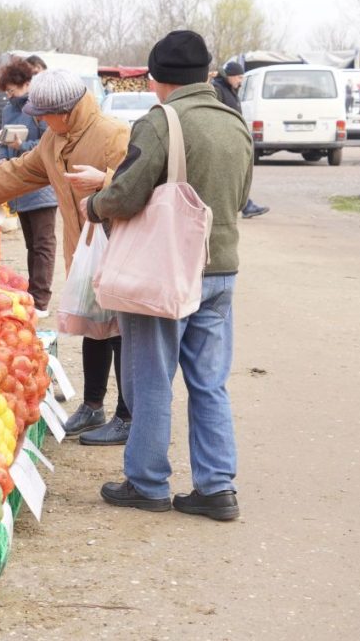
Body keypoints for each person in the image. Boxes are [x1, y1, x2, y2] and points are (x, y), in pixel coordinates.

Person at [85, 30, 252, 518]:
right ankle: (217, 487)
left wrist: (95, 204)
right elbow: (241, 197)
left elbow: (128, 193)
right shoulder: (233, 121)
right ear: (204, 73)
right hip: (220, 270)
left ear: (156, 79)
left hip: (166, 272)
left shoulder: (162, 122)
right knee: (209, 382)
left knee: (153, 377)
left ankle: (148, 482)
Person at [0, 68, 133, 446]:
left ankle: (128, 413)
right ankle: (93, 406)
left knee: (122, 331)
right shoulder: (55, 141)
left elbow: (141, 184)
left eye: (43, 115)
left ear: (66, 111)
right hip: (84, 248)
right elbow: (18, 173)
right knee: (93, 324)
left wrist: (106, 182)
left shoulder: (113, 134)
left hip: (120, 247)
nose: (38, 122)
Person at [0, 58, 57, 316]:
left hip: (41, 185)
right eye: (7, 91)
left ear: (27, 84)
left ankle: (41, 299)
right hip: (18, 184)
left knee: (44, 243)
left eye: (13, 90)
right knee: (32, 244)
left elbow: (50, 146)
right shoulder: (9, 110)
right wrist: (1, 158)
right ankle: (33, 294)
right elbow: (2, 142)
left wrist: (24, 147)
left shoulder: (40, 109)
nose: (10, 95)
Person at [212, 61, 269, 218]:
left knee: (234, 175)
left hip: (232, 138)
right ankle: (244, 206)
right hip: (223, 140)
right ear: (229, 76)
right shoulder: (218, 89)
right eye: (238, 77)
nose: (240, 81)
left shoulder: (230, 89)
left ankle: (245, 206)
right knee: (230, 175)